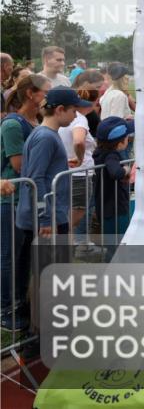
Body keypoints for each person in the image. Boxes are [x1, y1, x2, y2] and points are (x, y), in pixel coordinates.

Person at [12, 86, 93, 330]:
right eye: (73, 111)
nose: (76, 116)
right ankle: (43, 329)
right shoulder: (46, 137)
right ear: (60, 110)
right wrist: (45, 218)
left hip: (46, 214)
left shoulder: (43, 134)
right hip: (47, 218)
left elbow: (40, 171)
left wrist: (60, 166)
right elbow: (36, 178)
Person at [0, 74, 49, 330]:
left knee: (25, 257)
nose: (47, 98)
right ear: (31, 93)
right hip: (11, 201)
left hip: (28, 200)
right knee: (10, 256)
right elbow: (19, 165)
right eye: (44, 92)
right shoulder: (12, 125)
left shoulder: (37, 120)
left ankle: (21, 303)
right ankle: (6, 309)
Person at [58, 75, 100, 242]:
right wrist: (80, 158)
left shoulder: (66, 120)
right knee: (79, 211)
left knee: (67, 212)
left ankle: (64, 244)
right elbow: (78, 140)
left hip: (65, 172)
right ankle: (63, 240)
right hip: (79, 174)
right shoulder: (80, 120)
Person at [93, 116, 135, 251]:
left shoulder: (100, 152)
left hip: (105, 205)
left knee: (112, 244)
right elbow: (116, 172)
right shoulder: (111, 156)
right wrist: (126, 169)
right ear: (120, 142)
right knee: (118, 244)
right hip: (115, 208)